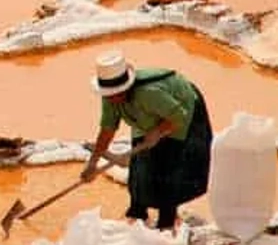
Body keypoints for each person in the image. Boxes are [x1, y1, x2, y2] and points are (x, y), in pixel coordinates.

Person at [80, 51, 212, 231]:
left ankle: (166, 221)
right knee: (139, 164)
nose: (112, 99)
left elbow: (179, 116)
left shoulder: (148, 93)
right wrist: (93, 163)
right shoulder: (110, 98)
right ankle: (137, 212)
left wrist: (158, 132)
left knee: (168, 166)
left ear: (126, 87)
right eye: (109, 95)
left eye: (116, 94)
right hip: (147, 114)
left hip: (182, 110)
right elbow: (107, 131)